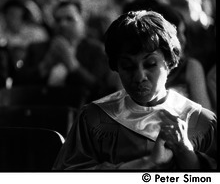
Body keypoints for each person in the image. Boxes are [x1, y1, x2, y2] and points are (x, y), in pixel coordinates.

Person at [53, 10, 217, 170]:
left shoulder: (200, 121)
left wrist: (186, 153)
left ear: (168, 62)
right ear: (116, 67)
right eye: (127, 66)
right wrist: (146, 163)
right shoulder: (94, 118)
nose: (139, 77)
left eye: (150, 64)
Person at [12, 0, 119, 101]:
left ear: (82, 20)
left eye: (69, 19)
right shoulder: (37, 48)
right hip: (39, 109)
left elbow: (100, 90)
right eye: (58, 20)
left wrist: (73, 65)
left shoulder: (96, 50)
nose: (62, 24)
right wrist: (44, 66)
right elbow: (16, 86)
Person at [122, 0, 212, 110]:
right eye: (178, 34)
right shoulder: (132, 68)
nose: (183, 40)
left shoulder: (190, 67)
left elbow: (205, 114)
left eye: (184, 32)